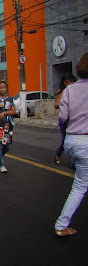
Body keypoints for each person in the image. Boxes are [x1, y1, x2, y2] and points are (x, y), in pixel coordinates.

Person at [54, 53, 88, 237]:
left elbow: (62, 116)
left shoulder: (70, 90)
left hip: (72, 142)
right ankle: (61, 224)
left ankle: (62, 225)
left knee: (80, 184)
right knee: (80, 186)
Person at [54, 73, 77, 165]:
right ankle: (58, 154)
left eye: (71, 82)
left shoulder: (77, 90)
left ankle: (74, 162)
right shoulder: (62, 91)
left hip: (75, 117)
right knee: (65, 140)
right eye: (67, 82)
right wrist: (65, 103)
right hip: (65, 118)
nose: (69, 84)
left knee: (76, 141)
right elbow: (56, 105)